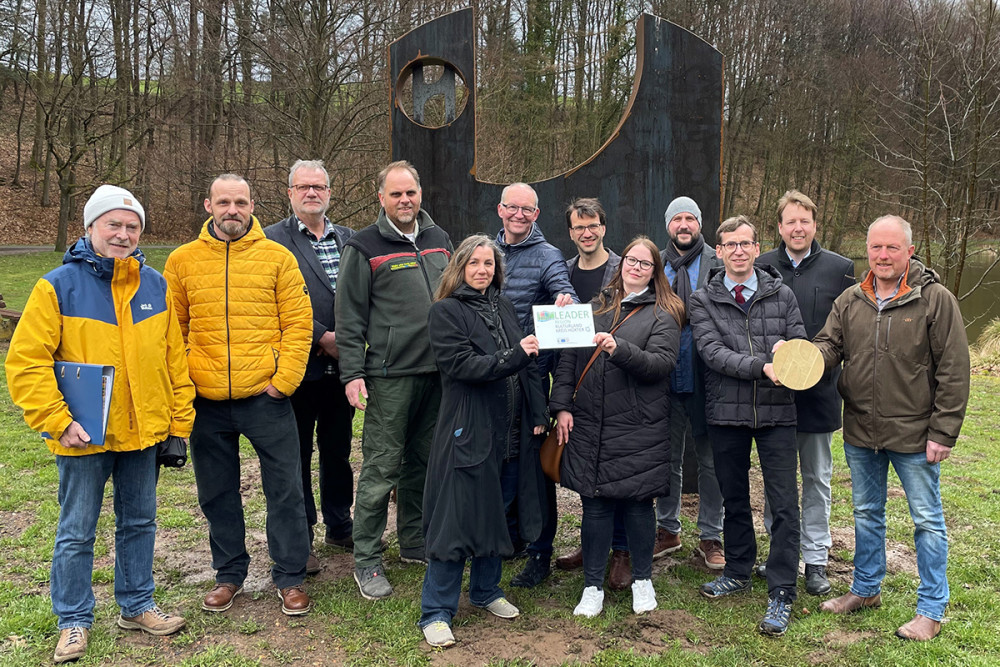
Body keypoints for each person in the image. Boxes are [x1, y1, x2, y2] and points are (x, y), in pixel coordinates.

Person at [6, 185, 195, 663]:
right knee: (77, 530)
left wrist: (178, 423)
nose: (123, 234)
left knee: (140, 522)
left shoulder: (155, 286)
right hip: (82, 435)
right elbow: (27, 361)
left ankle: (136, 605)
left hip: (144, 433)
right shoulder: (57, 286)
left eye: (132, 226)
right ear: (90, 227)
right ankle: (73, 620)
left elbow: (175, 360)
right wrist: (56, 419)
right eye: (113, 224)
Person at [813, 215, 970, 641]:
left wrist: (944, 431)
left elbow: (954, 370)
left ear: (909, 252)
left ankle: (931, 609)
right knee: (866, 514)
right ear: (867, 251)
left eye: (892, 248)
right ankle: (865, 589)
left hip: (916, 434)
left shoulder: (935, 300)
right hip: (862, 431)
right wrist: (804, 358)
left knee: (926, 521)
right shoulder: (850, 300)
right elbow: (830, 346)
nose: (883, 256)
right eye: (876, 248)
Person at [164, 174, 314, 617]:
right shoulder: (182, 261)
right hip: (207, 400)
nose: (233, 209)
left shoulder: (277, 257)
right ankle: (229, 574)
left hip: (264, 397)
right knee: (217, 492)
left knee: (285, 490)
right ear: (208, 205)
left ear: (252, 206)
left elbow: (298, 325)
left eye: (241, 202)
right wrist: (187, 381)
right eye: (224, 201)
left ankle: (290, 577)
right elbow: (174, 330)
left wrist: (282, 382)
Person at [418, 235, 549, 648]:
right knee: (456, 518)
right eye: (474, 263)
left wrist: (538, 412)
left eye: (489, 264)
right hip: (468, 430)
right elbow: (461, 365)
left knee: (497, 511)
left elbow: (528, 364)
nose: (482, 270)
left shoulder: (505, 306)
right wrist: (515, 355)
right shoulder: (445, 312)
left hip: (510, 432)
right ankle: (436, 611)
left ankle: (486, 590)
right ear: (459, 267)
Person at [335, 160, 453, 600]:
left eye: (411, 193)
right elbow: (349, 317)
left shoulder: (440, 240)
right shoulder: (364, 246)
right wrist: (352, 373)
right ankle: (366, 560)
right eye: (396, 194)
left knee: (421, 463)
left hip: (437, 375)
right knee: (382, 468)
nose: (405, 201)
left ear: (420, 194)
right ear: (381, 197)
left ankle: (414, 541)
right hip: (389, 377)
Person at [552, 237, 682, 618]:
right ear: (621, 263)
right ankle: (592, 585)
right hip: (592, 421)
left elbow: (660, 365)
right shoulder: (596, 305)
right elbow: (568, 359)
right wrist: (560, 405)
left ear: (655, 270)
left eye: (645, 263)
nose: (636, 267)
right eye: (631, 260)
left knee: (639, 506)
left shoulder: (665, 312)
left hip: (639, 425)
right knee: (594, 507)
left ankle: (643, 580)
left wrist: (617, 349)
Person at [688, 215, 806, 637]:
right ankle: (737, 569)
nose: (738, 251)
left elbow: (798, 343)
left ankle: (781, 590)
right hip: (726, 413)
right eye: (730, 245)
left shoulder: (783, 294)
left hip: (777, 414)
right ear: (718, 252)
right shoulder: (702, 299)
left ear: (758, 248)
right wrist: (765, 366)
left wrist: (787, 358)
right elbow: (712, 353)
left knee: (784, 505)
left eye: (746, 243)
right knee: (733, 498)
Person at [755, 190, 855, 595]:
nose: (798, 228)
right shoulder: (761, 267)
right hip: (771, 393)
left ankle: (815, 558)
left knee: (816, 478)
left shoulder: (840, 269)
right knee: (775, 480)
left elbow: (847, 332)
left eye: (805, 221)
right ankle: (780, 553)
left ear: (815, 225)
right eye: (790, 221)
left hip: (819, 394)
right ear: (779, 227)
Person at [265, 160, 356, 572]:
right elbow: (271, 300)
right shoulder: (272, 242)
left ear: (330, 192)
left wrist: (351, 341)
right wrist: (322, 336)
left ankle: (340, 523)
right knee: (296, 454)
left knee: (337, 451)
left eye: (319, 186)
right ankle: (301, 535)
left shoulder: (351, 239)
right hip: (298, 366)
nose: (311, 193)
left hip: (346, 370)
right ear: (290, 193)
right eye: (303, 187)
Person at [493, 182, 577, 589]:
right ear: (500, 210)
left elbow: (565, 289)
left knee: (534, 467)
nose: (519, 215)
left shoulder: (548, 256)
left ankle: (540, 551)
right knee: (498, 459)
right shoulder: (485, 253)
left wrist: (564, 298)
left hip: (530, 381)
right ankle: (507, 537)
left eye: (527, 210)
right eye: (513, 208)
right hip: (490, 375)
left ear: (537, 215)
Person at [554, 197, 632, 590]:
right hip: (581, 382)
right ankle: (593, 545)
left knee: (619, 470)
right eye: (578, 228)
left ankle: (622, 552)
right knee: (588, 469)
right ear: (570, 233)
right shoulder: (563, 273)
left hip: (618, 381)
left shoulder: (624, 269)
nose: (586, 233)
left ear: (604, 227)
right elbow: (561, 335)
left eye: (593, 226)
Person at [654, 196, 726, 570]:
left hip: (706, 377)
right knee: (667, 458)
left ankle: (711, 535)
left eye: (690, 218)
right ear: (668, 225)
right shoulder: (655, 264)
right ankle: (667, 528)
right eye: (677, 218)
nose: (684, 224)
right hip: (665, 375)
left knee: (710, 461)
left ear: (700, 223)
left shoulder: (718, 262)